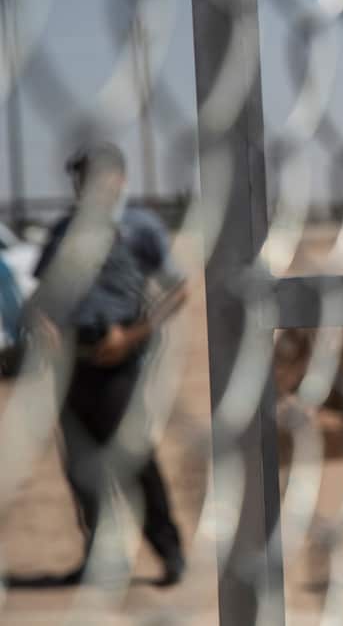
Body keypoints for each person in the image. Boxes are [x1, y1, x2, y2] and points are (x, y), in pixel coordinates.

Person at [34, 140, 188, 586]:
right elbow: (43, 296)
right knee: (82, 469)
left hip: (119, 361)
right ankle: (100, 560)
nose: (85, 184)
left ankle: (169, 551)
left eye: (94, 174)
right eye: (80, 176)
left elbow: (177, 290)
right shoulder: (63, 231)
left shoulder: (139, 227)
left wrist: (131, 335)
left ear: (118, 179)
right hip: (72, 363)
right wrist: (45, 324)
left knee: (136, 461)